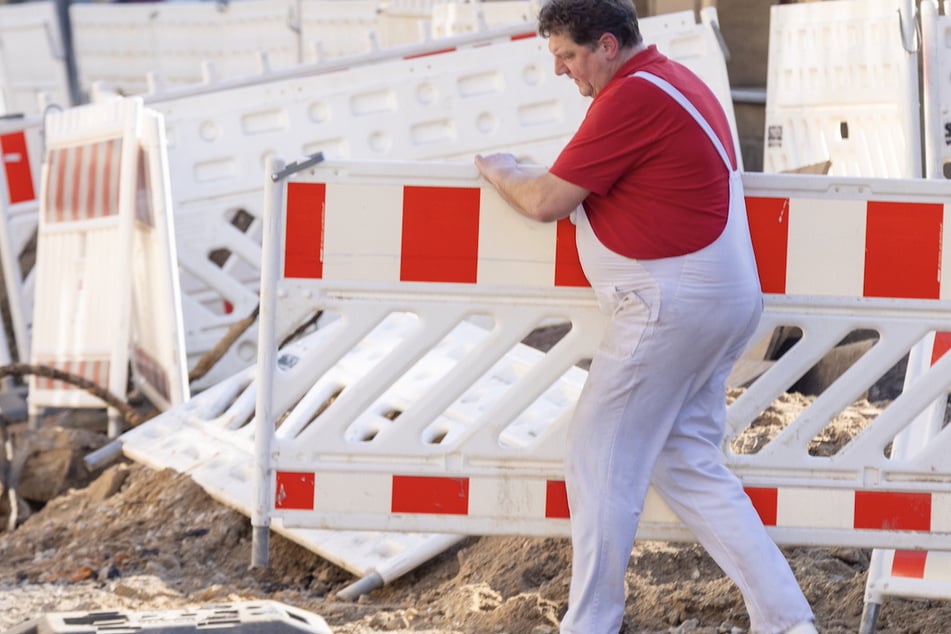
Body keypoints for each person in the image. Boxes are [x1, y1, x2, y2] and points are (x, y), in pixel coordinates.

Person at [474, 1, 818, 633]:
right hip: (716, 297)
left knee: (596, 452)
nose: (561, 71)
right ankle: (789, 623)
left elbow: (547, 199)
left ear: (607, 45)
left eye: (567, 56)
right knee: (687, 461)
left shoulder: (631, 98)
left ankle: (592, 623)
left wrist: (502, 171)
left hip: (670, 306)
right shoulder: (677, 80)